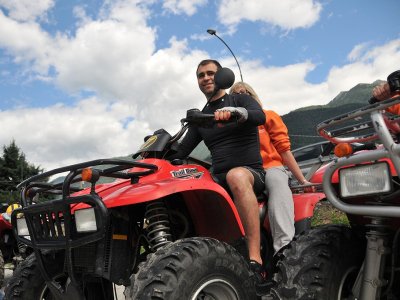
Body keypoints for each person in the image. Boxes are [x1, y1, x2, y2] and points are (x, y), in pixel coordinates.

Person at [168, 59, 270, 295]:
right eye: (201, 75)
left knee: (236, 176)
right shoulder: (202, 118)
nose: (206, 78)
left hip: (251, 174)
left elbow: (259, 116)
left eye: (210, 73)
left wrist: (236, 113)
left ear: (222, 76)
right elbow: (181, 151)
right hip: (218, 178)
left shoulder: (239, 99)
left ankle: (255, 258)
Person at [229, 81, 312, 253]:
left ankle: (283, 248)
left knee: (275, 180)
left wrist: (302, 179)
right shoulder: (230, 127)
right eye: (236, 95)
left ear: (253, 97)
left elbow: (284, 150)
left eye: (246, 93)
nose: (242, 96)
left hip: (271, 168)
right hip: (247, 172)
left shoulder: (268, 116)